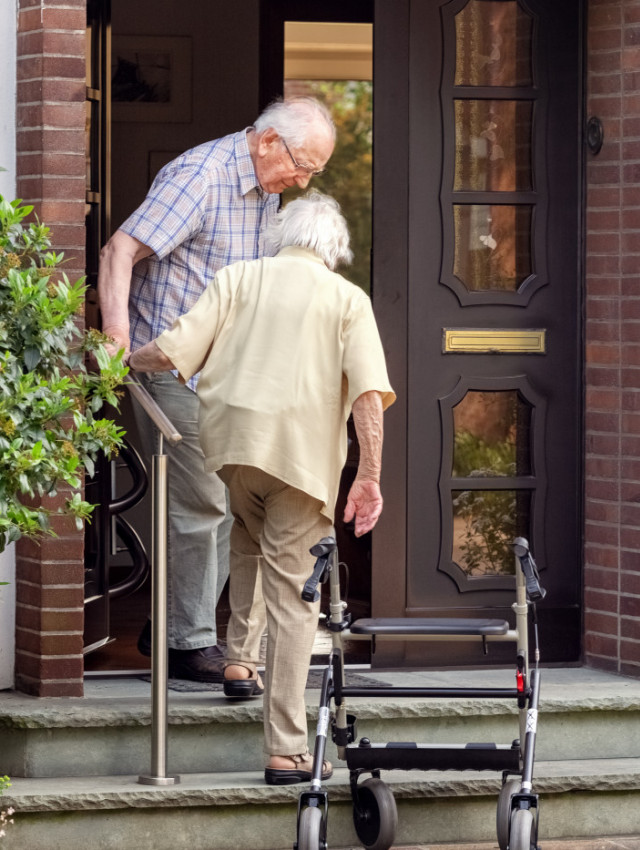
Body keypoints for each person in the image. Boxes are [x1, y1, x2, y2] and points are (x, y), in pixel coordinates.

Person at [124, 194, 394, 785]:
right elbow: (369, 396)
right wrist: (369, 476)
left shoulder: (237, 277)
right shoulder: (348, 299)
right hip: (299, 459)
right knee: (297, 604)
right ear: (334, 251)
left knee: (248, 539)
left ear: (282, 237)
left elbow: (170, 352)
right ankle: (287, 748)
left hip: (232, 448)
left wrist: (118, 357)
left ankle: (241, 662)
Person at [98, 96, 337, 682]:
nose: (303, 180)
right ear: (267, 142)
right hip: (173, 367)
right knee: (203, 502)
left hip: (230, 375)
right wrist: (116, 338)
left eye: (313, 173)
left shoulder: (267, 190)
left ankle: (174, 625)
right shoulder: (201, 178)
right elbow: (120, 249)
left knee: (235, 503)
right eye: (302, 165)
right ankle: (187, 644)